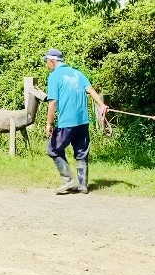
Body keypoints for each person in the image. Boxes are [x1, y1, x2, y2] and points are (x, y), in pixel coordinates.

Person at [42, 48, 107, 194]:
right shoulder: (77, 73)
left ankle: (68, 180)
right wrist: (102, 105)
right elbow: (90, 90)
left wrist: (48, 124)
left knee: (52, 149)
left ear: (52, 61)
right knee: (81, 152)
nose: (46, 65)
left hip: (66, 121)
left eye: (46, 61)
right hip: (83, 121)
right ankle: (83, 185)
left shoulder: (54, 76)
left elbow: (52, 102)